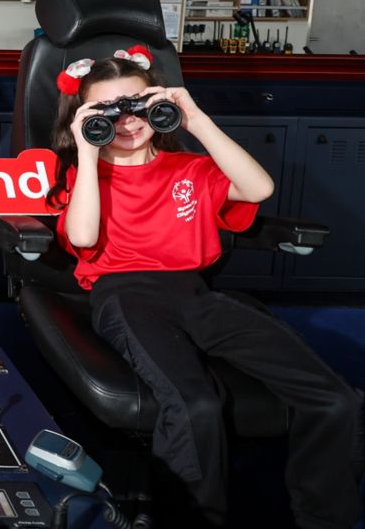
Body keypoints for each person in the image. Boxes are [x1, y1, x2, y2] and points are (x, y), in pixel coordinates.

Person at [48, 48, 362, 529]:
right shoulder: (85, 177)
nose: (128, 122)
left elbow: (257, 189)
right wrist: (87, 152)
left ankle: (325, 518)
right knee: (194, 404)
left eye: (137, 105)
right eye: (109, 110)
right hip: (125, 295)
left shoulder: (188, 170)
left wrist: (194, 119)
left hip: (196, 294)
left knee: (335, 397)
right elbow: (85, 237)